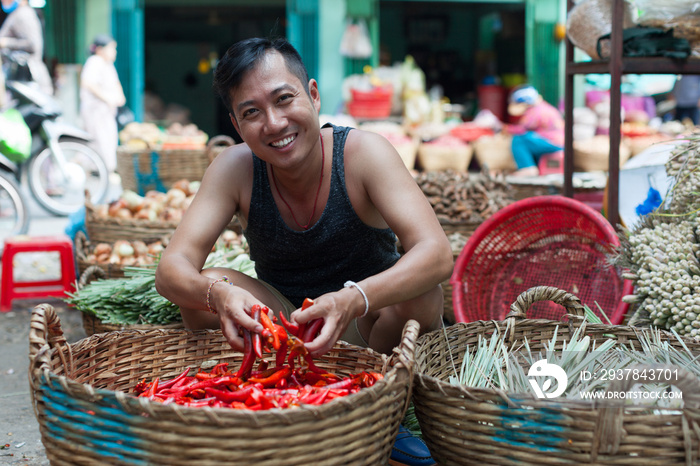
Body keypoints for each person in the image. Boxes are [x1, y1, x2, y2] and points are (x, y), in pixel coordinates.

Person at [155, 36, 452, 357]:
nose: (274, 123)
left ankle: (375, 381)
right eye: (252, 112)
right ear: (237, 126)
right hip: (282, 326)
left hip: (369, 322)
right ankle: (275, 376)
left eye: (284, 99)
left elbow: (436, 253)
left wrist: (351, 299)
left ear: (313, 95)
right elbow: (172, 268)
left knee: (423, 296)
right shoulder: (233, 168)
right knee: (208, 288)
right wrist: (220, 296)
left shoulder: (363, 153)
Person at [79, 34, 126, 173]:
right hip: (96, 110)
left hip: (106, 112)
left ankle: (103, 170)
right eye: (112, 48)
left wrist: (120, 97)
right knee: (101, 141)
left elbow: (116, 83)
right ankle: (105, 172)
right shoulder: (94, 61)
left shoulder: (108, 64)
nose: (114, 52)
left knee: (108, 139)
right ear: (100, 50)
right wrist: (107, 98)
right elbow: (88, 83)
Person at [505, 84, 565, 177]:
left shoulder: (536, 111)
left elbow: (521, 129)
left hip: (553, 143)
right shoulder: (546, 107)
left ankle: (527, 168)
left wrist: (503, 128)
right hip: (558, 143)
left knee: (519, 139)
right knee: (530, 139)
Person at [0, 0, 53, 95]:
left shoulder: (24, 14)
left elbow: (32, 44)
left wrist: (6, 42)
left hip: (28, 77)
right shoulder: (17, 13)